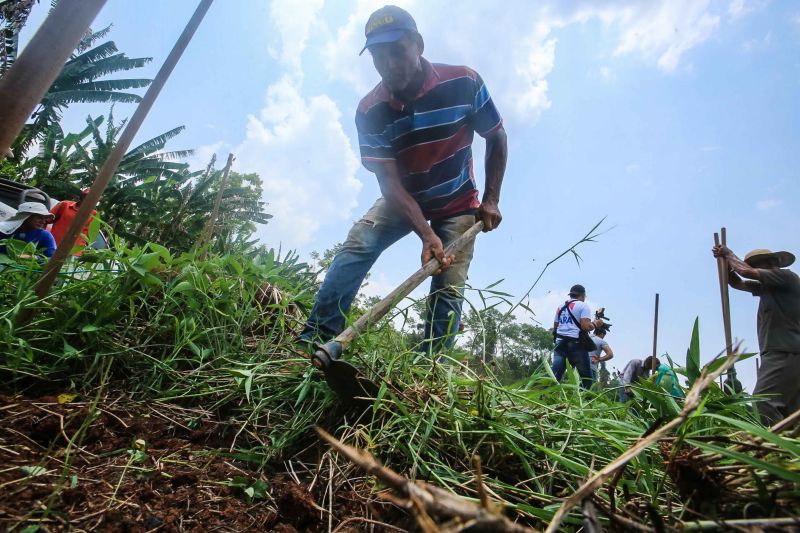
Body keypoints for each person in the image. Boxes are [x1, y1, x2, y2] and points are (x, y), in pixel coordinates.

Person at [298, 5, 508, 356]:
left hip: (457, 199)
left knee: (449, 284)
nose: (391, 64)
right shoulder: (370, 110)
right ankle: (315, 339)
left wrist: (491, 200)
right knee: (360, 241)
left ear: (418, 44)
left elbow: (497, 136)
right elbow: (389, 185)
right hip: (404, 195)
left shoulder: (464, 82)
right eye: (379, 57)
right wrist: (425, 234)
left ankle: (430, 368)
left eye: (397, 51)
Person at [712, 245, 800, 426]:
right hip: (781, 351)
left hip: (784, 351)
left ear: (772, 263)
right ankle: (790, 449)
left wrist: (728, 254)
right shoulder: (768, 288)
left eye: (758, 265)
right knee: (790, 410)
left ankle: (773, 445)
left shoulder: (786, 277)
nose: (756, 269)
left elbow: (745, 272)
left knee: (763, 402)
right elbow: (737, 282)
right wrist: (725, 265)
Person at [551, 284, 605, 389]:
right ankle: (586, 401)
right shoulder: (583, 305)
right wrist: (595, 324)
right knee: (587, 379)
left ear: (571, 294)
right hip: (576, 345)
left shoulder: (560, 307)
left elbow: (555, 327)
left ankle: (543, 397)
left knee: (555, 375)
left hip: (560, 344)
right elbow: (585, 327)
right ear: (583, 295)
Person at [50, 187, 96, 254]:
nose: (89, 200)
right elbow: (46, 220)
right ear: (82, 197)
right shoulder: (65, 205)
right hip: (53, 246)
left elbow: (91, 236)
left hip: (73, 253)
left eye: (93, 198)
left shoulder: (94, 215)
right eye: (87, 197)